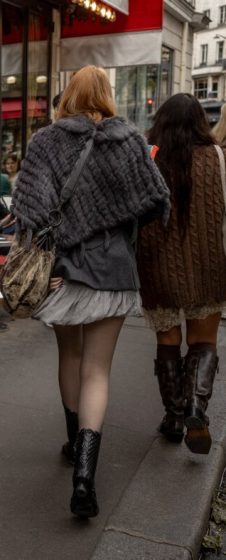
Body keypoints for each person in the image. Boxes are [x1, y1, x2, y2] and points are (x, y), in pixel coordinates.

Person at [12, 66, 169, 518]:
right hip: (114, 268)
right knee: (98, 370)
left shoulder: (47, 140)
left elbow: (32, 210)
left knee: (71, 359)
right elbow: (155, 201)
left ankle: (71, 442)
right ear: (107, 95)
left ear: (68, 95)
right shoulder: (132, 142)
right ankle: (85, 474)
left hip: (65, 270)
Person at [139, 93, 226, 454]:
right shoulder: (218, 157)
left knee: (168, 342)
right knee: (204, 342)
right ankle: (196, 407)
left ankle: (174, 418)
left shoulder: (149, 157)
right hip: (208, 264)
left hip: (158, 264)